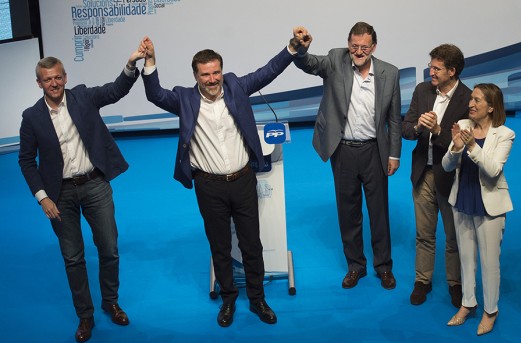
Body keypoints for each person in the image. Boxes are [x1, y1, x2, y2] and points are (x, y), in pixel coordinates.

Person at [139, 30, 309, 327]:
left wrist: (292, 47)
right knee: (219, 246)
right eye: (206, 74)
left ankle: (257, 299)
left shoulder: (235, 87)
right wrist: (150, 61)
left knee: (251, 245)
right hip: (209, 186)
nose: (213, 79)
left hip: (243, 181)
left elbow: (267, 72)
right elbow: (155, 94)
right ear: (196, 76)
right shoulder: (184, 99)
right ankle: (228, 299)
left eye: (216, 72)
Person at [18, 49, 144, 342]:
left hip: (95, 184)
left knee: (109, 247)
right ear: (39, 83)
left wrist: (129, 64)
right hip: (58, 195)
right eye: (48, 79)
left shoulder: (84, 97)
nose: (54, 83)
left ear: (65, 78)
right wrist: (42, 197)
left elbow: (116, 90)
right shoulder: (31, 117)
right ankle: (85, 316)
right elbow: (26, 160)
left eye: (58, 77)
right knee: (73, 258)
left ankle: (110, 302)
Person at [293, 22, 401, 290]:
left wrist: (395, 154)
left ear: (374, 47)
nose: (358, 51)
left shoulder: (390, 73)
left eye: (364, 47)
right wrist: (300, 49)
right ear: (348, 43)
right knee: (348, 211)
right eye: (354, 46)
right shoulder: (334, 59)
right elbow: (308, 64)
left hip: (375, 150)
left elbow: (394, 119)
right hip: (343, 150)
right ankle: (356, 266)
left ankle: (383, 267)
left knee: (379, 212)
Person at [441, 83, 514, 336]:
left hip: (489, 205)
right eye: (471, 99)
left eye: (477, 101)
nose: (471, 104)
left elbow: (493, 171)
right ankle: (468, 303)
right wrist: (457, 147)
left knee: (489, 262)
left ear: (491, 107)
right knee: (466, 259)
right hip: (462, 200)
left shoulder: (505, 134)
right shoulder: (463, 125)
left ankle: (490, 310)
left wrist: (472, 146)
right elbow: (447, 165)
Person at [401, 44, 471, 306]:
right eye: (431, 66)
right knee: (424, 233)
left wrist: (439, 130)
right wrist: (420, 125)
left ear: (452, 71)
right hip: (423, 174)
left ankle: (455, 283)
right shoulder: (422, 91)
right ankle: (423, 280)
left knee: (453, 237)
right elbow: (406, 129)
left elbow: (463, 144)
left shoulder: (468, 98)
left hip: (451, 176)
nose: (431, 71)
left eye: (436, 68)